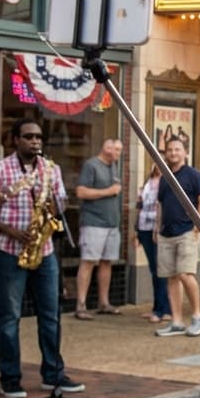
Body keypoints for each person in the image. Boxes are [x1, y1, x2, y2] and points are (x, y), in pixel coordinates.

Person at [0, 118, 85, 398]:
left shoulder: (51, 169)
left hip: (44, 250)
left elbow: (60, 204)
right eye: (28, 137)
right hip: (8, 250)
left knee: (51, 315)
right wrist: (12, 231)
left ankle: (53, 374)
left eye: (38, 137)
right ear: (15, 140)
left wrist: (50, 202)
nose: (35, 141)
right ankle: (10, 378)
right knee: (9, 317)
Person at [153, 137, 200, 338]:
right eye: (169, 150)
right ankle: (176, 321)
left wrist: (198, 226)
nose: (173, 153)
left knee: (186, 274)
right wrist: (157, 228)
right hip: (166, 234)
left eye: (177, 149)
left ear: (185, 152)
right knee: (172, 278)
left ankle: (197, 316)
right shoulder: (164, 177)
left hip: (187, 232)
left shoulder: (193, 175)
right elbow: (161, 204)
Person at [74, 137, 123, 320]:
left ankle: (104, 302)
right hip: (93, 223)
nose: (118, 153)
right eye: (116, 149)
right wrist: (108, 192)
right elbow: (81, 192)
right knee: (88, 261)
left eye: (120, 150)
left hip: (112, 224)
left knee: (106, 262)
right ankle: (81, 305)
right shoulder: (91, 165)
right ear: (106, 147)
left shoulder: (114, 166)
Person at [133, 165, 171, 323]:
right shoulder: (148, 182)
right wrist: (136, 231)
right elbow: (139, 206)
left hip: (158, 230)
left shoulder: (167, 181)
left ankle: (165, 310)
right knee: (153, 270)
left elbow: (164, 207)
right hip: (144, 228)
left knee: (160, 271)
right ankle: (156, 308)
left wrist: (158, 229)